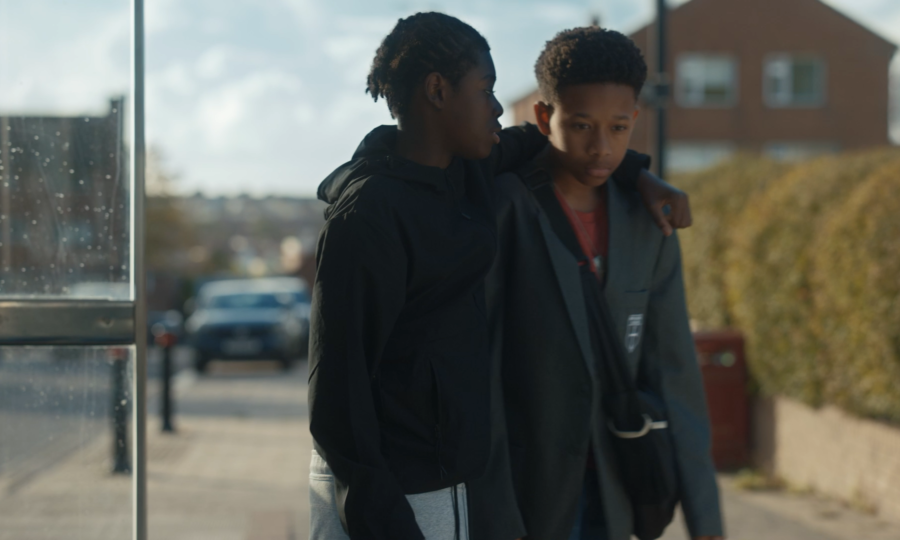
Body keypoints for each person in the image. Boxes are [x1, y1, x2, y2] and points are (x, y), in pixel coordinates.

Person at [307, 13, 691, 540]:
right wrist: (385, 521)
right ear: (437, 90)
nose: (494, 106)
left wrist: (638, 174)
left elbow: (553, 140)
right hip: (383, 498)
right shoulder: (369, 215)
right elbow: (336, 395)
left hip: (450, 486)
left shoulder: (470, 173)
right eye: (484, 88)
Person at [467, 27, 724, 540]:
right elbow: (481, 371)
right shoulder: (505, 211)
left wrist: (707, 522)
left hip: (618, 485)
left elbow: (676, 375)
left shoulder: (650, 222)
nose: (601, 148)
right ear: (544, 117)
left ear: (636, 122)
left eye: (619, 128)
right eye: (581, 125)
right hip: (526, 494)